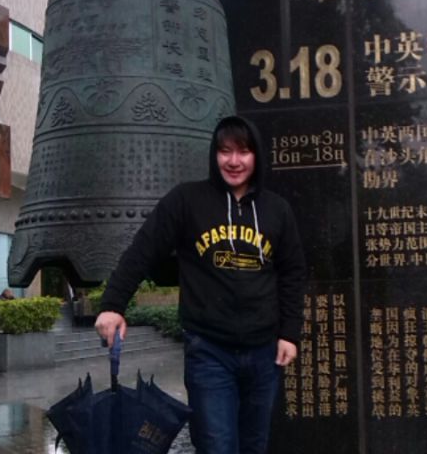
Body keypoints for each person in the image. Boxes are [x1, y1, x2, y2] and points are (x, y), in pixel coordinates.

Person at [95, 115, 306, 454]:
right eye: (225, 151)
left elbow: (293, 274)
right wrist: (112, 305)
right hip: (209, 352)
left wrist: (290, 333)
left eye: (243, 152)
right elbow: (143, 250)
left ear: (256, 156)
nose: (234, 161)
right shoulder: (186, 201)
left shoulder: (276, 210)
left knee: (254, 446)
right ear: (214, 155)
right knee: (216, 446)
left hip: (264, 353)